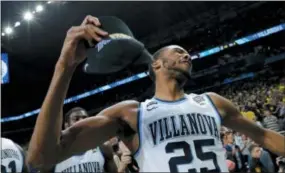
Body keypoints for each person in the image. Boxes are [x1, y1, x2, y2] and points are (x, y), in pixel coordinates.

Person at [27, 15, 285, 172]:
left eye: (188, 53)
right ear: (156, 64)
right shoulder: (130, 114)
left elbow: (263, 135)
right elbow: (41, 158)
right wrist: (65, 66)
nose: (187, 55)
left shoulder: (213, 102)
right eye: (178, 51)